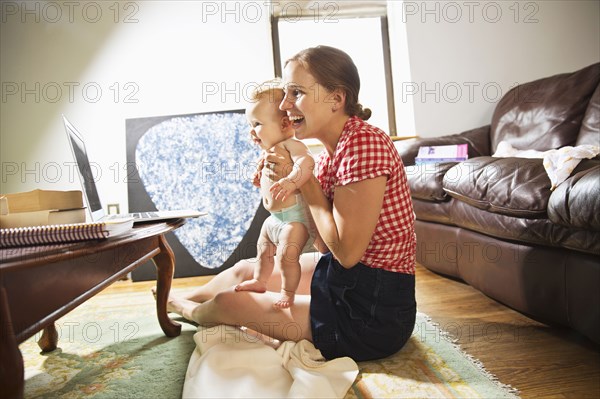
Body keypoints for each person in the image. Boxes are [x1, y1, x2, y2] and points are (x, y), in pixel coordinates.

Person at [164, 45, 417, 361]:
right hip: (343, 279)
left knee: (232, 303)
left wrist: (304, 181)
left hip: (371, 315)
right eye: (285, 93)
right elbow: (325, 246)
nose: (285, 105)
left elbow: (348, 254)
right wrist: (289, 181)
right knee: (246, 270)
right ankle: (170, 298)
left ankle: (185, 308)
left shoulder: (364, 145)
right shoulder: (326, 158)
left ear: (336, 99)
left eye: (296, 93)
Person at [235, 80, 319, 309]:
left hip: (296, 219)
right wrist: (259, 179)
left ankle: (287, 292)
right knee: (263, 249)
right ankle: (259, 280)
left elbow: (307, 162)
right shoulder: (268, 152)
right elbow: (269, 180)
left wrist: (293, 179)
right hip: (275, 218)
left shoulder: (292, 145)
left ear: (284, 124)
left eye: (257, 124)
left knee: (285, 256)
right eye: (250, 125)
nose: (251, 131)